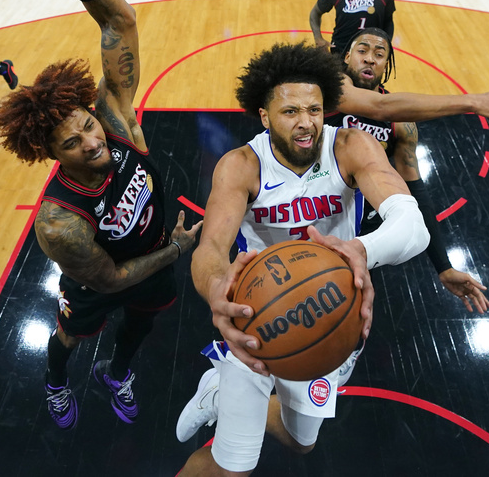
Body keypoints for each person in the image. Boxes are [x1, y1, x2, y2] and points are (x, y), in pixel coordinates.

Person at [0, 0, 203, 429]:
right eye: (73, 142)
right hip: (106, 273)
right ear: (50, 153)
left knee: (141, 326)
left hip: (158, 257)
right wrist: (174, 250)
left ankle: (118, 373)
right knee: (70, 335)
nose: (94, 142)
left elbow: (120, 18)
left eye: (89, 126)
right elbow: (110, 280)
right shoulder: (60, 223)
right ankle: (55, 381)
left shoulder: (115, 120)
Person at [175, 42, 431, 475]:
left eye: (314, 109)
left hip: (331, 309)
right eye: (290, 112)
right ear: (264, 115)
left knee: (301, 442)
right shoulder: (242, 165)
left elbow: (413, 226)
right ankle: (230, 388)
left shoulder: (351, 146)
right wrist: (218, 289)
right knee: (233, 465)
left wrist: (359, 250)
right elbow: (211, 250)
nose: (306, 123)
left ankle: (216, 393)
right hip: (257, 312)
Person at [326, 28, 489, 315]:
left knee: (344, 314)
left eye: (380, 55)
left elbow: (415, 192)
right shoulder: (332, 89)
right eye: (362, 51)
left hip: (358, 231)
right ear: (347, 57)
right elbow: (379, 107)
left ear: (387, 65)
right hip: (309, 211)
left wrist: (443, 266)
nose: (370, 60)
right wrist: (472, 101)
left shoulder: (401, 125)